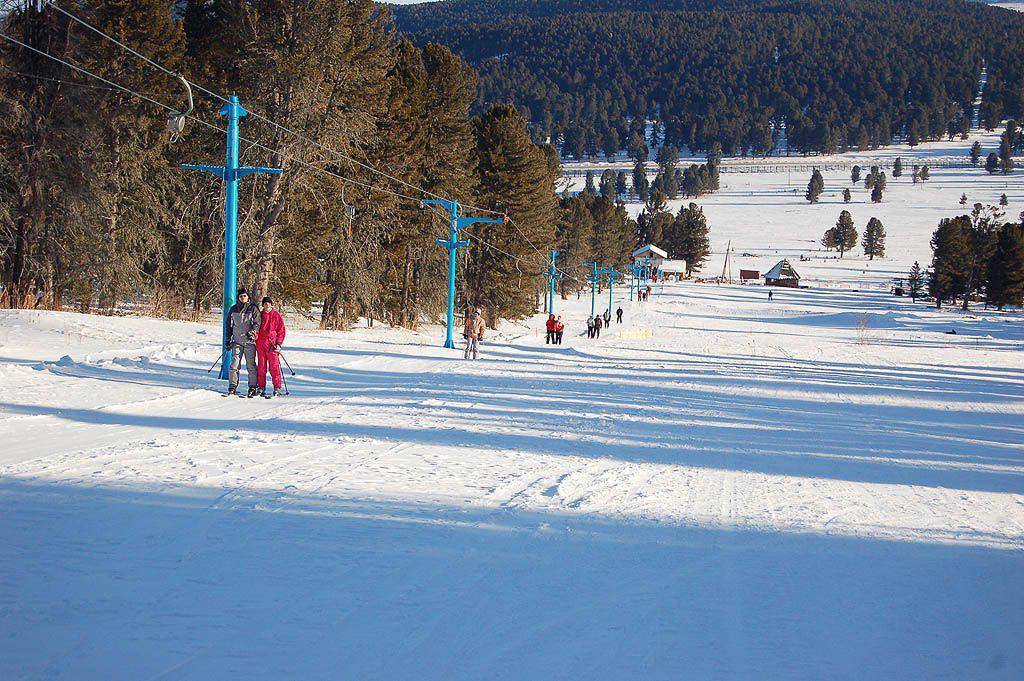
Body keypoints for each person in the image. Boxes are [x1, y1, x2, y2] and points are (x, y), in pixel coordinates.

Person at [225, 288, 261, 397]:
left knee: (251, 366)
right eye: (241, 296)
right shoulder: (233, 309)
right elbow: (228, 325)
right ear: (238, 297)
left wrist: (253, 332)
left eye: (244, 296)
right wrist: (227, 339)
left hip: (249, 342)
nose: (243, 298)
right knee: (234, 365)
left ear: (248, 297)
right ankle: (232, 386)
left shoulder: (253, 308)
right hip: (237, 342)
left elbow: (257, 322)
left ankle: (252, 387)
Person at [255, 296, 287, 398]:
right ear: (263, 305)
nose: (267, 305)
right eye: (265, 303)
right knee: (261, 367)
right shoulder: (259, 315)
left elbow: (281, 331)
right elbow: (255, 328)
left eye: (268, 303)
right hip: (261, 344)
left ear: (271, 304)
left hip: (272, 345)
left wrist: (279, 343)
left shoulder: (276, 315)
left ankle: (277, 387)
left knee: (274, 367)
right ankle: (261, 387)